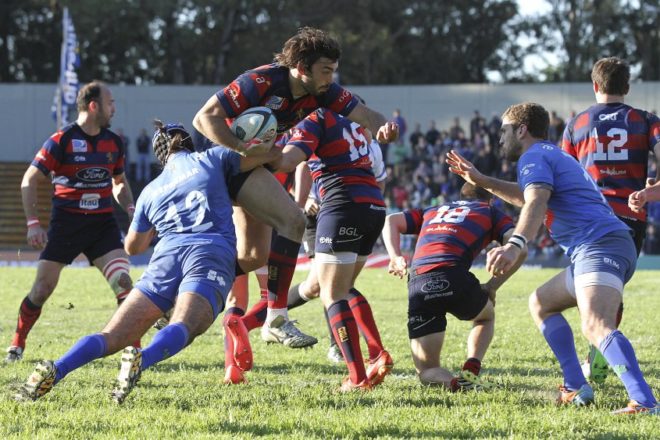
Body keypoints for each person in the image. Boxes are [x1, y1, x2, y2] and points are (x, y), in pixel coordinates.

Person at [16, 121, 279, 403]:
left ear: (161, 156)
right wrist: (267, 143)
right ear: (189, 143)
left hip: (164, 259)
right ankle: (143, 358)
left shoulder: (151, 190)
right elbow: (271, 157)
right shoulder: (213, 157)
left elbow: (133, 246)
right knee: (185, 325)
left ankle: (57, 368)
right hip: (208, 252)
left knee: (111, 335)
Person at [192, 27, 398, 349]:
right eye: (325, 70)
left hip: (252, 168)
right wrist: (244, 149)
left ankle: (188, 291)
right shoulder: (260, 81)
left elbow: (366, 114)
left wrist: (383, 127)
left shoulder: (324, 91)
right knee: (293, 221)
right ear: (301, 69)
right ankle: (275, 318)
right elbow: (204, 119)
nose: (331, 78)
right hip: (223, 164)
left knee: (252, 255)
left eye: (333, 70)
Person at [447, 102, 659, 414]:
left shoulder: (533, 156)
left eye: (504, 131)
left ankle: (644, 401)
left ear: (521, 129)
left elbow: (535, 200)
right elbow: (526, 196)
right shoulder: (551, 154)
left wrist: (515, 243)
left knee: (595, 324)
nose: (499, 139)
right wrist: (482, 180)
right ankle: (575, 387)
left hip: (600, 245)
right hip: (605, 244)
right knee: (541, 303)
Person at [6, 81, 136, 363]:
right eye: (110, 102)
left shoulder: (114, 143)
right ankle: (17, 342)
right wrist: (32, 223)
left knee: (124, 284)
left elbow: (118, 182)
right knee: (41, 290)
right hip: (67, 225)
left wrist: (128, 205)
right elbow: (30, 179)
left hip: (102, 226)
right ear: (93, 105)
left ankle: (133, 349)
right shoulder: (61, 140)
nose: (114, 108)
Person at [269, 109, 393, 391]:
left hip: (341, 205)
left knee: (332, 293)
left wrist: (253, 153)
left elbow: (292, 162)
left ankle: (357, 377)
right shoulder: (351, 123)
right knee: (344, 288)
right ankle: (376, 353)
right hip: (373, 205)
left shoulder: (312, 119)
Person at [561, 57, 660, 383]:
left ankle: (597, 354)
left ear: (595, 85)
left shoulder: (576, 124)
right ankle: (599, 354)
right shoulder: (646, 121)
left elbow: (562, 176)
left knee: (590, 289)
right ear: (627, 87)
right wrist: (647, 193)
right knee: (608, 288)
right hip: (629, 219)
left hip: (588, 220)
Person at [382, 182, 524, 391]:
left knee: (427, 371)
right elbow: (520, 247)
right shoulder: (490, 211)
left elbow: (391, 220)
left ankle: (454, 384)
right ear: (492, 198)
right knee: (485, 316)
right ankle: (471, 371)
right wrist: (493, 286)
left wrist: (395, 257)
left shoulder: (432, 210)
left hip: (419, 281)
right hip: (453, 275)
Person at [285, 136, 388, 363]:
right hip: (341, 212)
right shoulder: (365, 139)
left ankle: (268, 316)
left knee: (331, 288)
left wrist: (299, 202)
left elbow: (293, 166)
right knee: (324, 286)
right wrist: (304, 200)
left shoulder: (318, 126)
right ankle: (269, 315)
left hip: (339, 210)